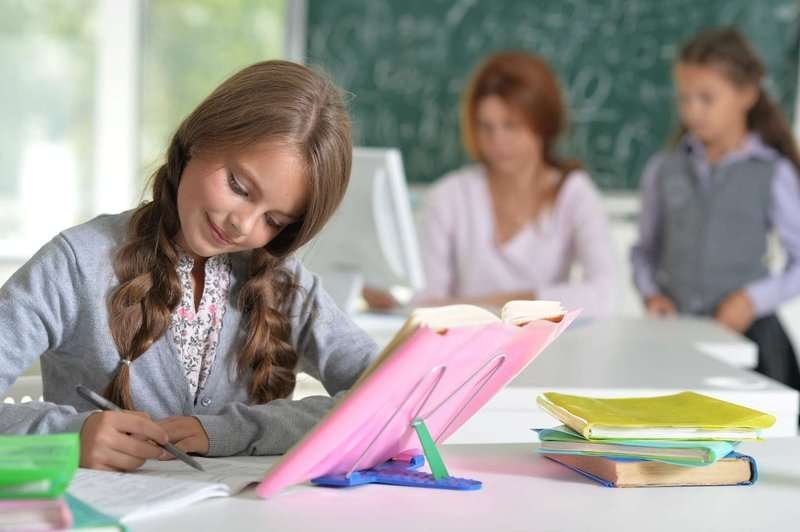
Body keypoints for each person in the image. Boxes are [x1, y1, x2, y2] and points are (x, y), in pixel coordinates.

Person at [0, 60, 379, 471]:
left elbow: (390, 400)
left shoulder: (283, 281)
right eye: (239, 187)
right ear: (198, 138)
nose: (242, 225)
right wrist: (70, 436)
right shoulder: (78, 263)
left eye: (274, 221)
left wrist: (238, 431)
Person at [631, 27, 800, 390]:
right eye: (684, 99)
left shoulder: (772, 172)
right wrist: (651, 294)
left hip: (751, 343)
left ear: (747, 94)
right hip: (676, 339)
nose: (692, 111)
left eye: (706, 98)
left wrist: (753, 301)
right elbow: (644, 252)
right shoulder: (664, 169)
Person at [413, 51, 616, 316]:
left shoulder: (574, 193)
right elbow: (427, 302)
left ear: (542, 124)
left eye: (511, 126)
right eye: (486, 127)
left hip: (550, 349)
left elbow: (606, 293)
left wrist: (501, 304)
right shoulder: (449, 196)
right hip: (469, 352)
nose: (497, 141)